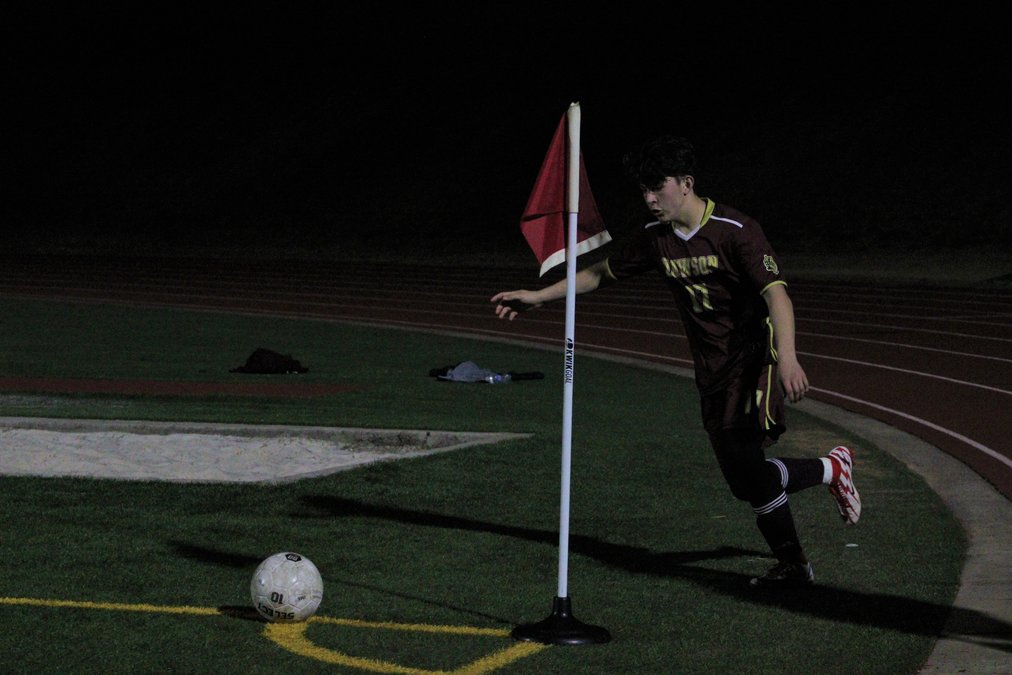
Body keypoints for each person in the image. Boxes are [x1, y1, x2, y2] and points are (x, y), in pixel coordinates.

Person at [490, 135, 861, 588]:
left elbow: (776, 295)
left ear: (686, 183)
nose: (649, 198)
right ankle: (831, 469)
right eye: (643, 190)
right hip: (711, 371)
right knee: (744, 483)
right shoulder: (657, 237)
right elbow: (601, 273)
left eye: (657, 187)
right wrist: (539, 297)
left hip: (752, 363)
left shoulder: (735, 230)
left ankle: (795, 566)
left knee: (747, 466)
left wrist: (787, 358)